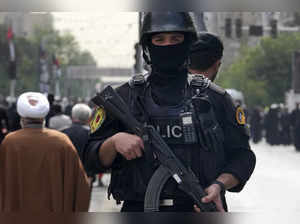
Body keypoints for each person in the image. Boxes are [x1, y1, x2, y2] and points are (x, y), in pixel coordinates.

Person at [85, 12, 256, 212]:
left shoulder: (214, 98)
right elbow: (89, 159)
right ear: (148, 46)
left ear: (188, 43)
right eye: (160, 39)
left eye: (176, 39)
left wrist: (219, 185)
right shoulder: (124, 97)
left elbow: (243, 157)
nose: (168, 46)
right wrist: (114, 142)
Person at [0, 92, 90, 212]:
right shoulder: (61, 141)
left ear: (22, 118)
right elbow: (80, 186)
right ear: (44, 117)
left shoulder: (10, 142)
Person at [62, 103, 97, 186]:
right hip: (86, 173)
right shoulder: (92, 134)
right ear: (89, 117)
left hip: (67, 173)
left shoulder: (63, 133)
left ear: (72, 116)